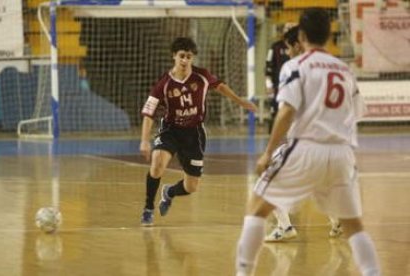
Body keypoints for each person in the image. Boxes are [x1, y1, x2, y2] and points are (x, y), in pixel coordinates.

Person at [236, 8, 380, 276]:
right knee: (354, 227)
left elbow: (287, 111)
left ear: (301, 36)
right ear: (328, 36)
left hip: (306, 147)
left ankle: (243, 272)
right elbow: (358, 112)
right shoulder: (345, 69)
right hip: (342, 153)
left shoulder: (295, 66)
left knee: (256, 207)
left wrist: (268, 152)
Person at [140, 37, 257, 226]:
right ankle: (148, 208)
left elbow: (221, 87)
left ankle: (169, 192)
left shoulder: (201, 76)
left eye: (189, 56)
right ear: (174, 57)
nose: (185, 60)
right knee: (157, 164)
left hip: (194, 134)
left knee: (191, 186)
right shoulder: (164, 84)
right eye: (181, 56)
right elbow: (148, 113)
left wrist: (241, 102)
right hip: (171, 130)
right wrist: (144, 141)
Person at [264, 26, 343, 242]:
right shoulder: (328, 66)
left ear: (298, 45)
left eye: (289, 48)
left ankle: (284, 227)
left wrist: (270, 148)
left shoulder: (294, 69)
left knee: (266, 179)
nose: (287, 53)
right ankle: (336, 219)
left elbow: (288, 110)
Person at [264, 23, 294, 134]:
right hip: (278, 86)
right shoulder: (275, 47)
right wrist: (269, 85)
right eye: (287, 28)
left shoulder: (298, 47)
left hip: (293, 85)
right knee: (275, 111)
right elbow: (268, 67)